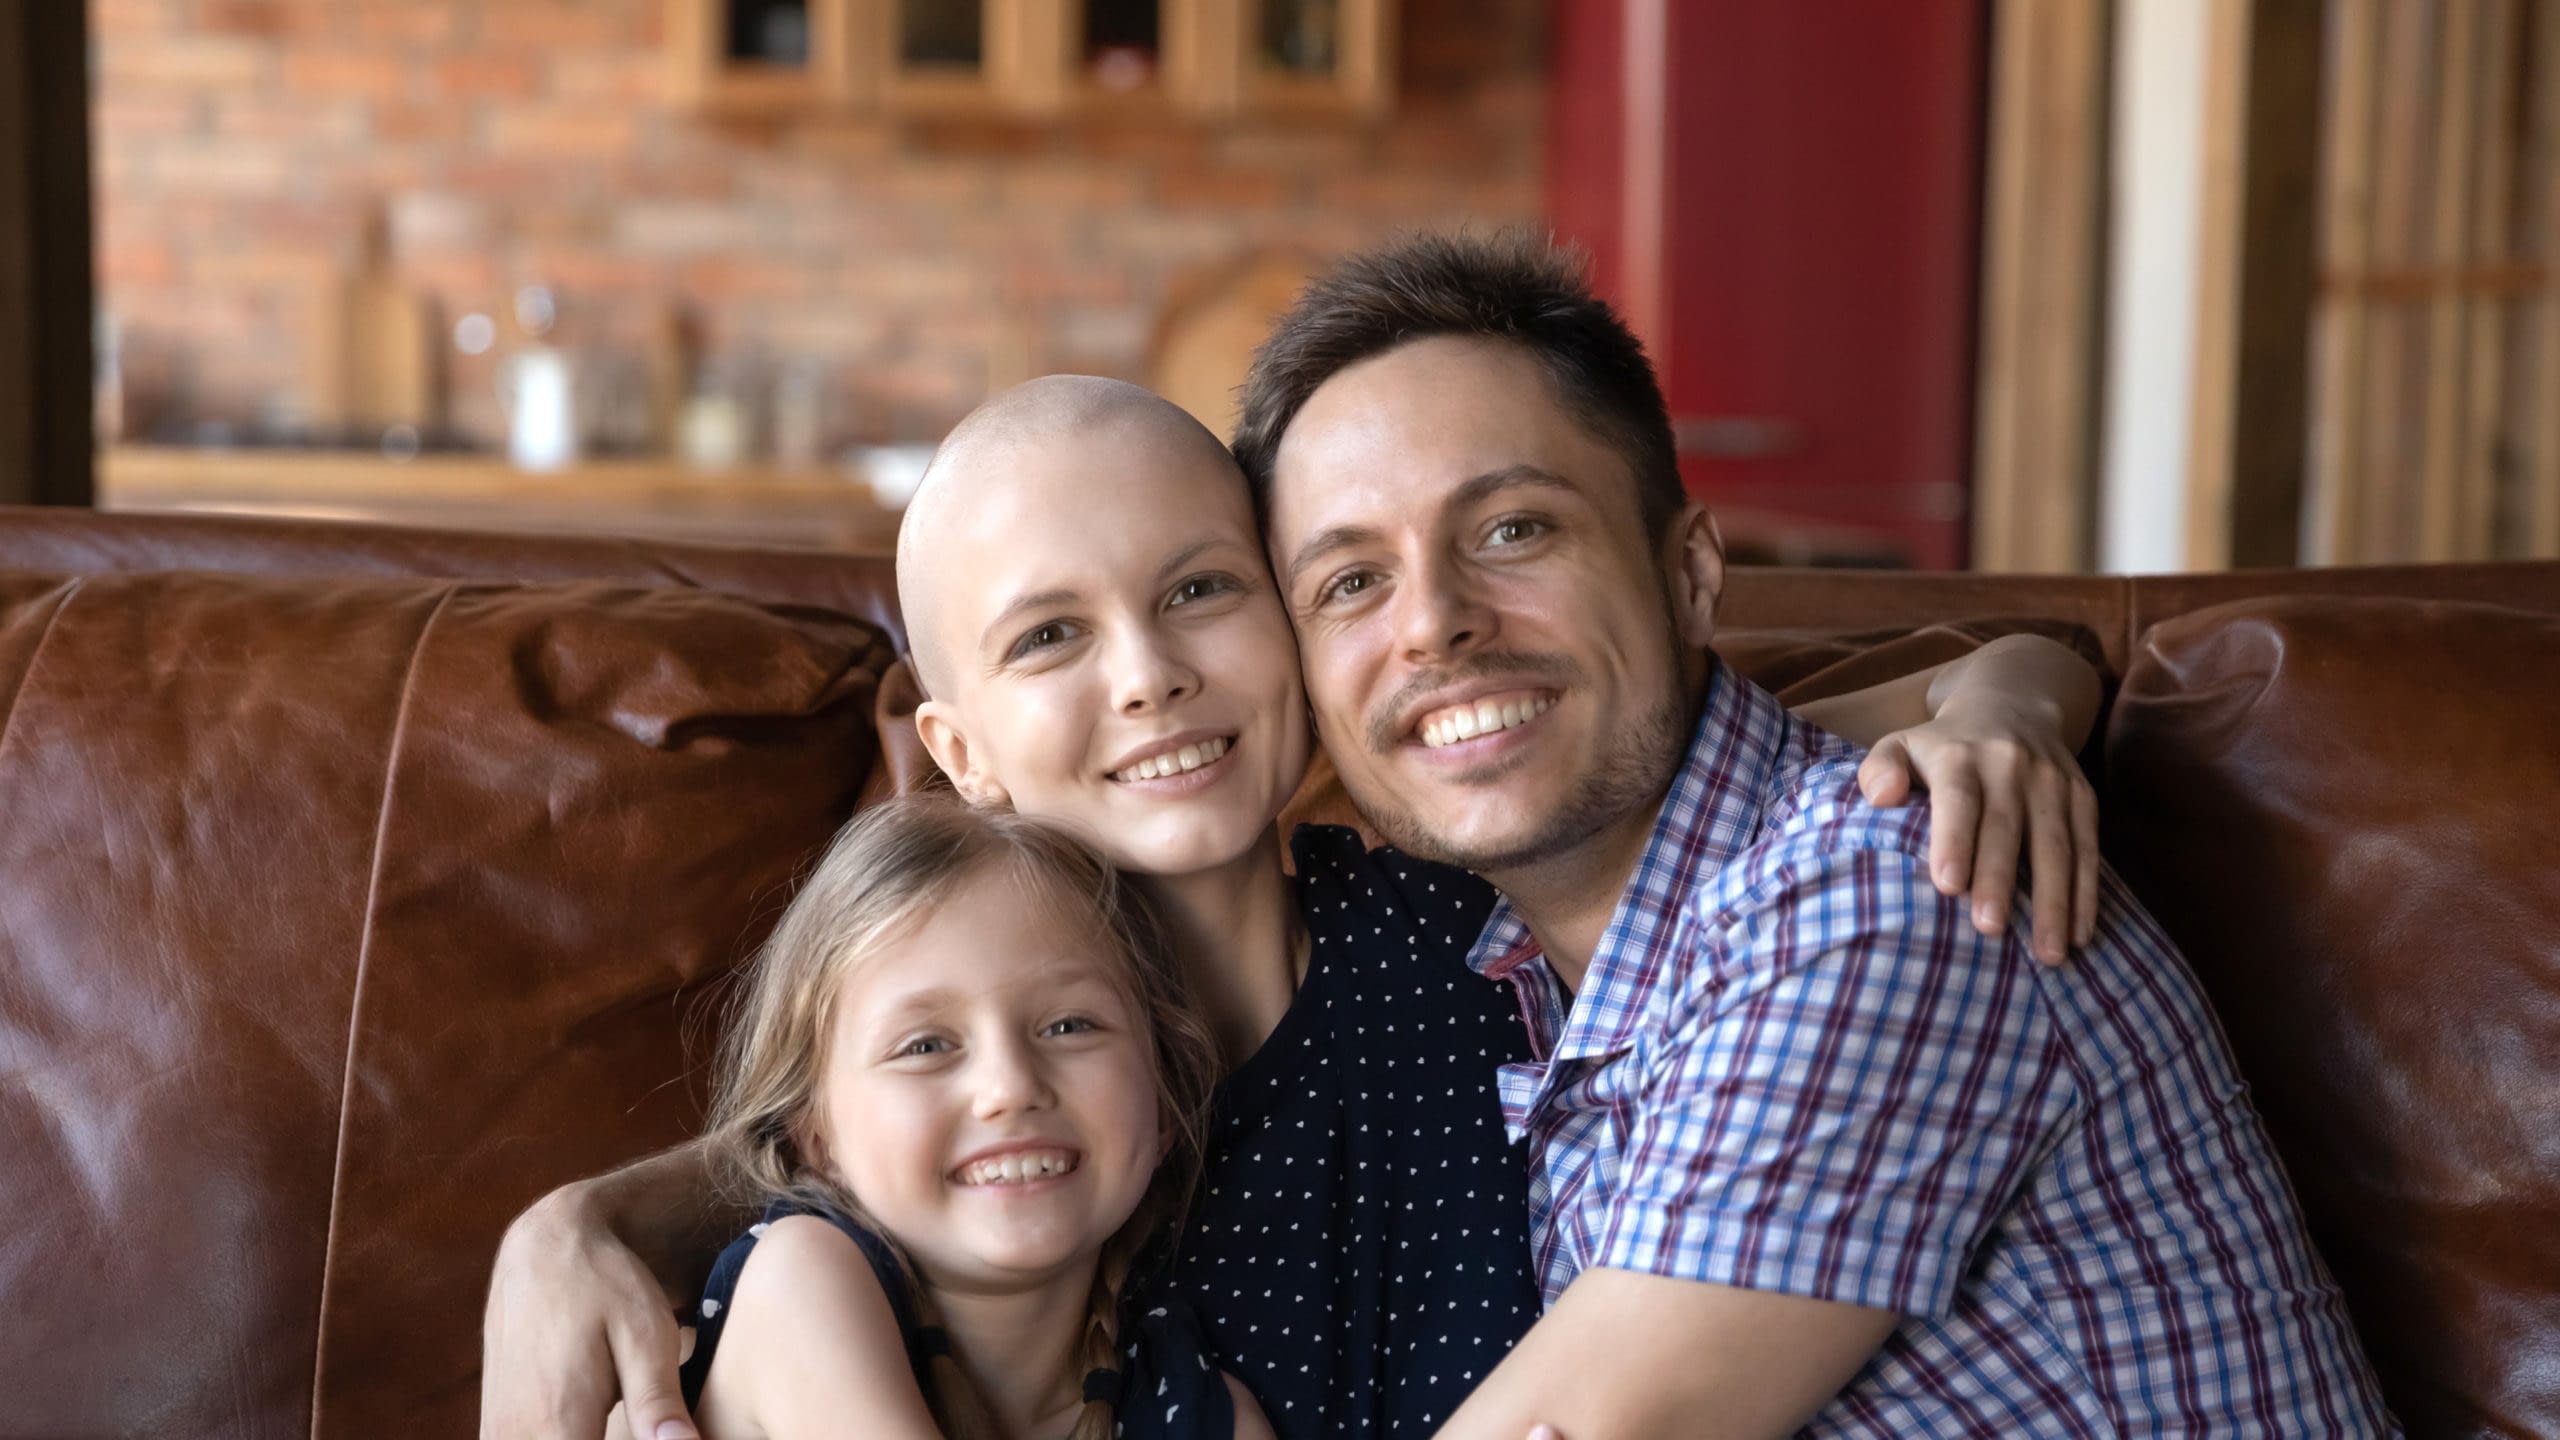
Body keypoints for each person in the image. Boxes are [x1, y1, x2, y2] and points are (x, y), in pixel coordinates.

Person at [483, 369, 2108, 1439]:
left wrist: (2011, 705)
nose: (1151, 676)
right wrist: (587, 1225)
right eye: (1051, 636)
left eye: (1201, 590)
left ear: (1297, 628)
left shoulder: (1466, 890)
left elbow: (1811, 721)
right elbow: (823, 1160)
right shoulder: (1001, 1097)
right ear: (956, 749)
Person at [1225, 230, 2394, 1437]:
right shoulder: (1493, 959)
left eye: (1513, 529)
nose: (1434, 626)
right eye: (1349, 583)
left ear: (1690, 574)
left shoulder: (1883, 883)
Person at [658, 796, 1261, 1440]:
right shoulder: (798, 1281)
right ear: (816, 1136)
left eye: (1069, 1025)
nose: (1010, 1087)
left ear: (1163, 1100)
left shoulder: (1201, 1409)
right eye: (924, 1046)